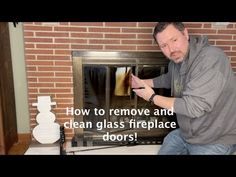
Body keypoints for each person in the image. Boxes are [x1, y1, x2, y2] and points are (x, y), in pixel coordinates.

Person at [132, 22, 236, 155]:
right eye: (164, 46)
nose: (171, 49)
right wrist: (141, 82)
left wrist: (152, 97)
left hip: (215, 138)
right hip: (187, 133)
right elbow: (169, 79)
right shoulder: (176, 61)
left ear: (185, 34)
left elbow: (193, 107)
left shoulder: (211, 59)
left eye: (174, 40)